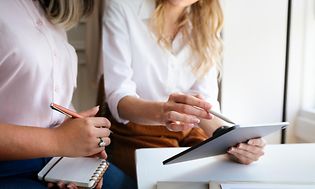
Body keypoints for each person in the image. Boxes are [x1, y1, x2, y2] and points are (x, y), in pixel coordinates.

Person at [102, 0, 266, 179]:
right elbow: (119, 99)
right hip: (137, 131)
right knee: (174, 179)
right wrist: (165, 112)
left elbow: (206, 104)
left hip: (193, 129)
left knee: (224, 175)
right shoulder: (122, 7)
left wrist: (235, 143)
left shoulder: (205, 20)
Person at [0, 0, 136, 188]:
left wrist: (79, 139)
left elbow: (47, 99)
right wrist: (60, 141)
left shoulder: (49, 15)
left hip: (56, 161)